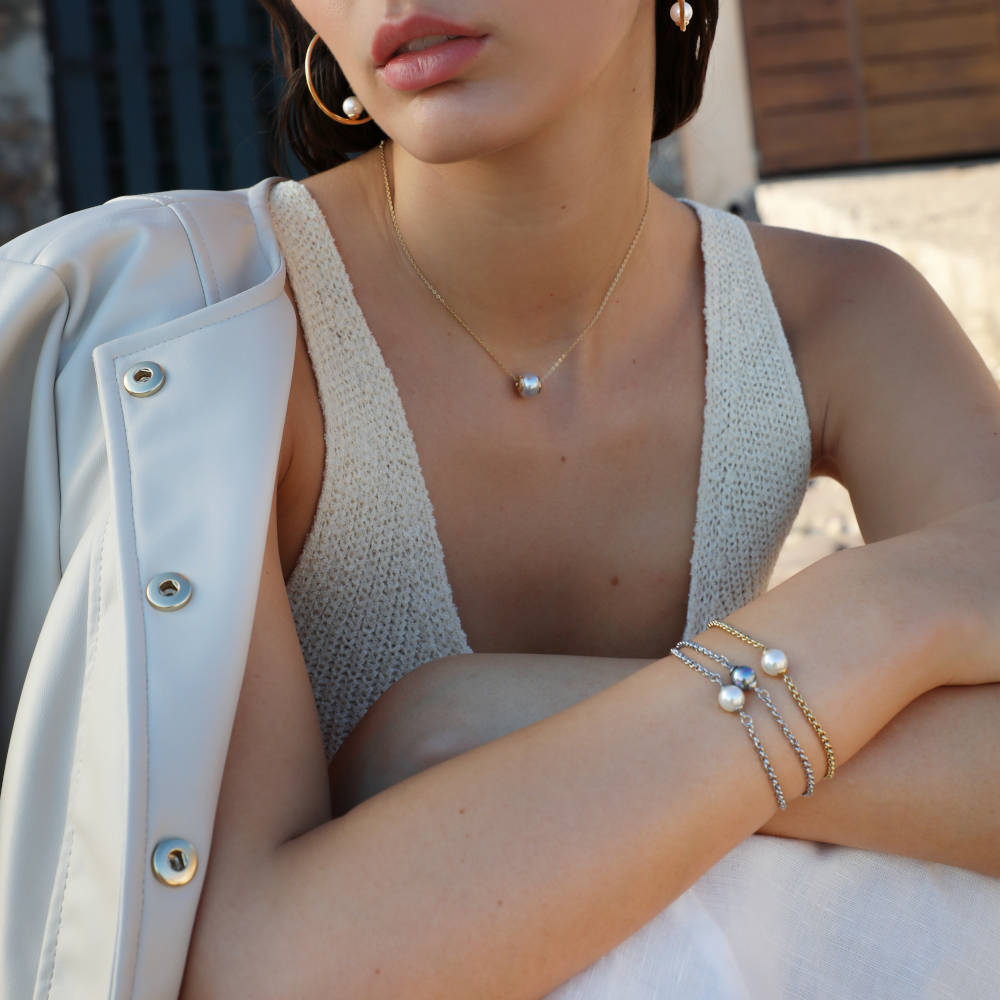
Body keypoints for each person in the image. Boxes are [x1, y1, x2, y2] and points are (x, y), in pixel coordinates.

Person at [1, 1, 998, 997]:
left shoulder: (837, 317)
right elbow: (268, 972)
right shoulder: (193, 334)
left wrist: (474, 720)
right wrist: (876, 608)